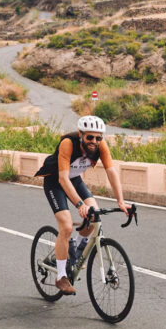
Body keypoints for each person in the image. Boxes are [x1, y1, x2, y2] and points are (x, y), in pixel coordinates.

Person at [35, 115, 130, 295]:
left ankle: (76, 250)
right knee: (66, 226)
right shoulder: (68, 144)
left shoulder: (100, 146)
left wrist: (121, 201)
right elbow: (63, 178)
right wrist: (79, 204)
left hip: (75, 180)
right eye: (89, 137)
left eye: (98, 137)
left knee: (94, 216)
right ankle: (61, 277)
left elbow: (111, 171)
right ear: (81, 134)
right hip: (55, 181)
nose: (94, 141)